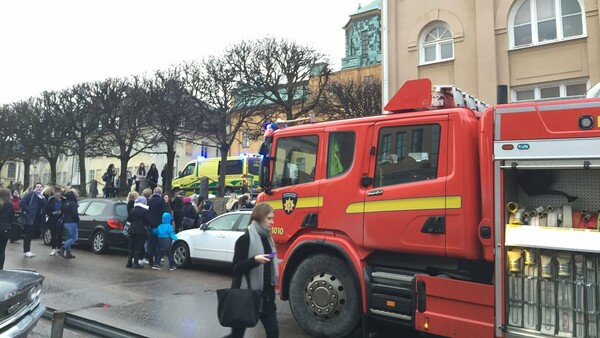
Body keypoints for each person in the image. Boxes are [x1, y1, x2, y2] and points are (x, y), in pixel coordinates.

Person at [229, 202, 279, 338]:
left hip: (266, 297)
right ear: (259, 217)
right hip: (247, 295)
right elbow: (236, 267)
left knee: (273, 333)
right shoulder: (245, 239)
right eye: (269, 218)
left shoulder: (268, 238)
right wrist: (254, 261)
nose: (272, 222)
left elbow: (270, 264)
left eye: (273, 218)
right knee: (237, 335)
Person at [20, 183, 47, 258]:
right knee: (28, 235)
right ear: (34, 188)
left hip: (38, 219)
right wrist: (28, 210)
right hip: (30, 218)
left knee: (32, 234)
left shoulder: (42, 197)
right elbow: (22, 202)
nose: (39, 188)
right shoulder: (30, 195)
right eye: (37, 187)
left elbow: (45, 205)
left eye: (40, 187)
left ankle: (28, 250)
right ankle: (26, 250)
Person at [126, 196, 149, 269]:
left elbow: (128, 219)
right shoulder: (145, 211)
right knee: (138, 247)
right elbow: (147, 221)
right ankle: (136, 263)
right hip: (140, 230)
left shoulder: (132, 210)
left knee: (131, 246)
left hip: (132, 229)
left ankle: (129, 262)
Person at [146, 187, 166, 266]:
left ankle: (150, 260)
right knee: (158, 244)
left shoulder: (149, 201)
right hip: (159, 225)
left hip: (150, 225)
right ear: (160, 193)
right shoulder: (162, 201)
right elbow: (164, 213)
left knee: (150, 243)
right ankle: (157, 261)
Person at [57, 190, 79, 259]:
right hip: (71, 222)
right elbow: (74, 213)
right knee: (74, 238)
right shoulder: (73, 203)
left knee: (69, 238)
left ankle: (68, 253)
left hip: (65, 222)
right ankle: (62, 249)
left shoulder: (66, 202)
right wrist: (77, 219)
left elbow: (61, 212)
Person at [46, 186, 66, 256]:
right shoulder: (51, 200)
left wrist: (62, 214)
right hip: (52, 219)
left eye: (58, 193)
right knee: (53, 234)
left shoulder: (64, 200)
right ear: (54, 193)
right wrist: (52, 213)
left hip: (60, 220)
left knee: (60, 234)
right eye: (56, 193)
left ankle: (59, 248)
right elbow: (47, 209)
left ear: (61, 194)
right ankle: (53, 249)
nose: (57, 194)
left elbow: (65, 209)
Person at [0, 188, 15, 269]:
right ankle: (1, 268)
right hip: (4, 230)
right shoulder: (9, 205)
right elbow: (12, 218)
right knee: (1, 250)